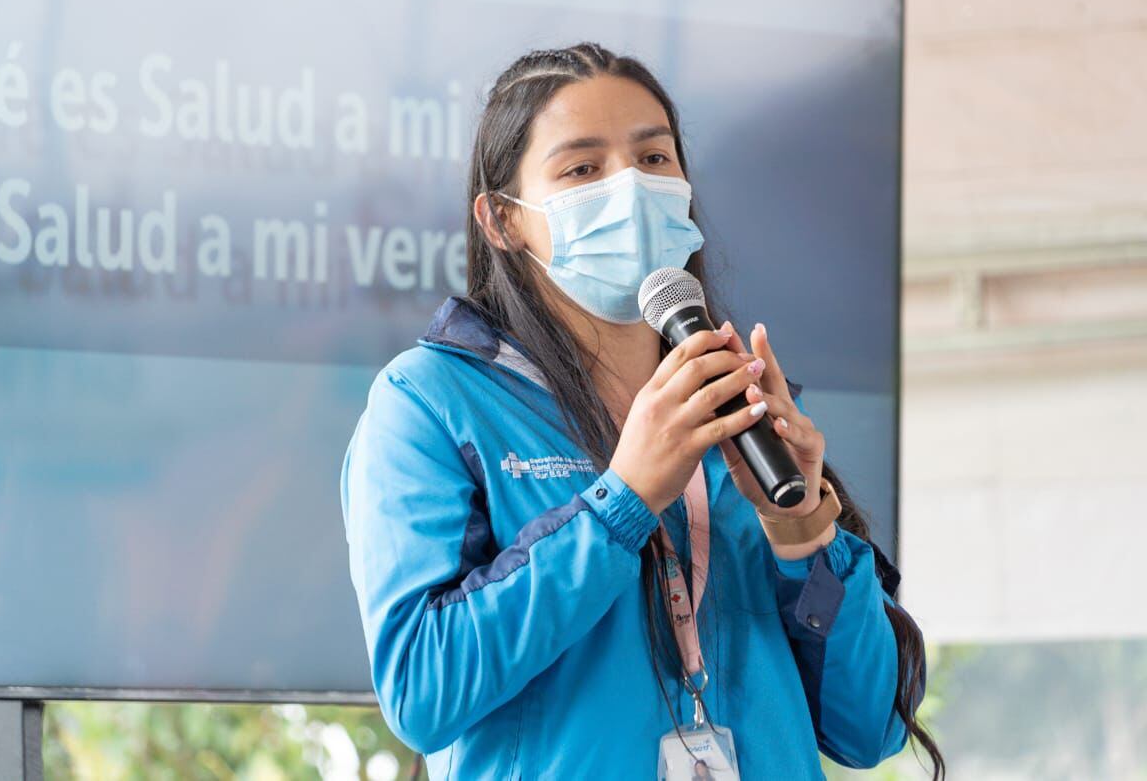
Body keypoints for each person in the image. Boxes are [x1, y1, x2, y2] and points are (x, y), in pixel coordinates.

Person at [340, 42, 943, 780]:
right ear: (502, 220)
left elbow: (871, 724)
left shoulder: (736, 404)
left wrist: (804, 527)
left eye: (654, 158)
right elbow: (422, 691)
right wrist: (622, 503)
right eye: (582, 169)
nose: (629, 186)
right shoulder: (431, 401)